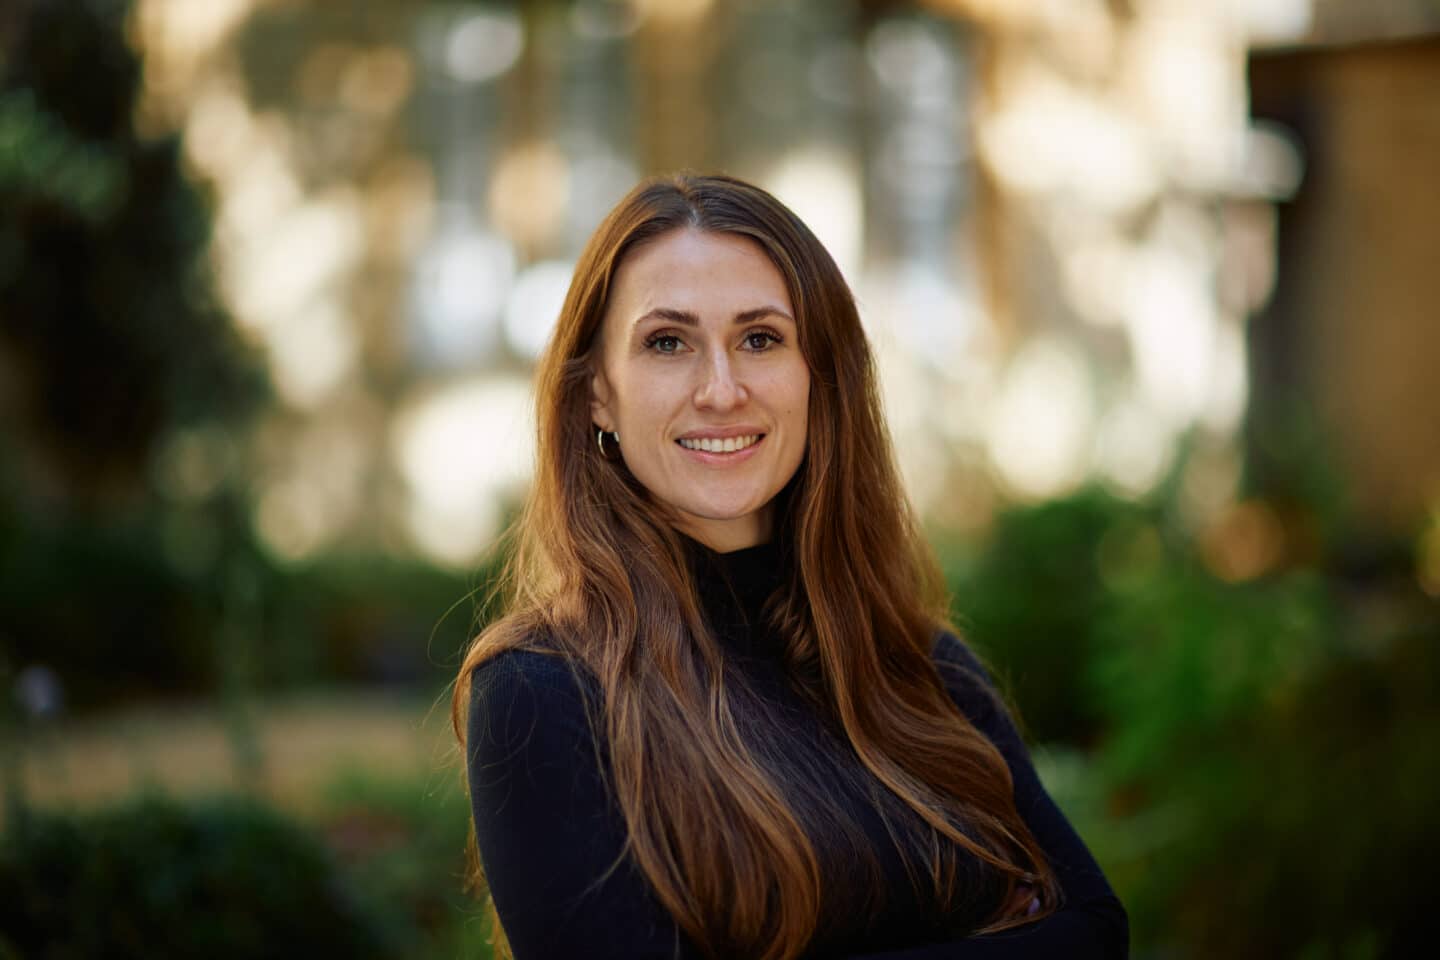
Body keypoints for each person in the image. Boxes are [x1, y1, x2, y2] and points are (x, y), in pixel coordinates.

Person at [451, 173, 1127, 959]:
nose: (721, 389)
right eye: (667, 342)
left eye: (761, 338)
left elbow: (1096, 934)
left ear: (819, 375)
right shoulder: (544, 692)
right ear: (598, 392)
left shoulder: (921, 665)